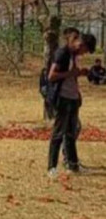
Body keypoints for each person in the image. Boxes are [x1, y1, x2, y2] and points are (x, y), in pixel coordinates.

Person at [47, 32, 96, 178]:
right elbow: (51, 76)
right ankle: (52, 167)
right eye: (85, 50)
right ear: (81, 44)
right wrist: (71, 73)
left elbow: (71, 74)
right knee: (58, 133)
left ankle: (73, 165)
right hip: (63, 98)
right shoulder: (62, 53)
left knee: (71, 133)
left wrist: (79, 73)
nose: (84, 53)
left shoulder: (73, 55)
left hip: (73, 98)